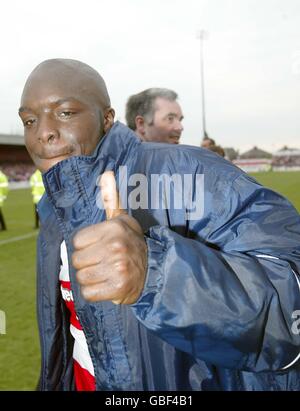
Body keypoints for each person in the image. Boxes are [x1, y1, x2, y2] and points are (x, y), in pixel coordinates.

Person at [18, 59, 300, 391]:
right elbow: (62, 340)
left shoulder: (190, 172)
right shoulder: (54, 207)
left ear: (107, 119)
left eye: (64, 113)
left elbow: (289, 304)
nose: (43, 132)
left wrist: (158, 275)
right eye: (29, 120)